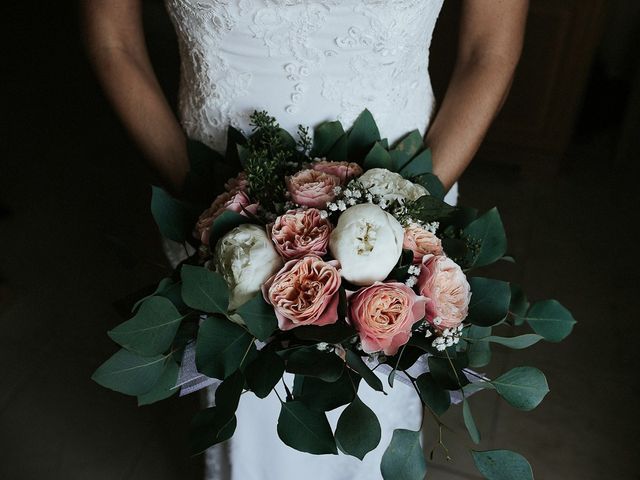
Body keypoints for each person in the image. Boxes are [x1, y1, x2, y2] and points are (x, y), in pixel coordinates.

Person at [82, 1, 528, 479]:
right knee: (251, 407)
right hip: (217, 201)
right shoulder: (214, 214)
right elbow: (115, 41)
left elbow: (489, 51)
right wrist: (213, 211)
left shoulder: (404, 217)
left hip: (405, 196)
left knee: (381, 393)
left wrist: (403, 217)